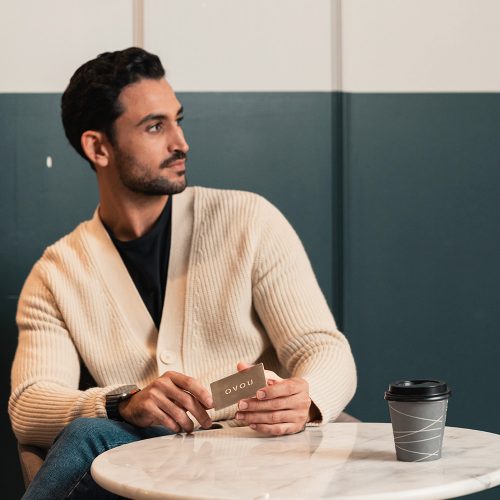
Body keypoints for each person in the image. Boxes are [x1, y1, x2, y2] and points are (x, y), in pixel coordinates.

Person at [9, 47, 356, 499]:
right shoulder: (57, 273)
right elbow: (29, 403)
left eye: (178, 120)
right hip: (144, 460)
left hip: (255, 455)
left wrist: (306, 398)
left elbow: (323, 347)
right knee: (84, 438)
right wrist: (121, 402)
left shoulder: (249, 220)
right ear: (98, 147)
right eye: (155, 126)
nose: (181, 143)